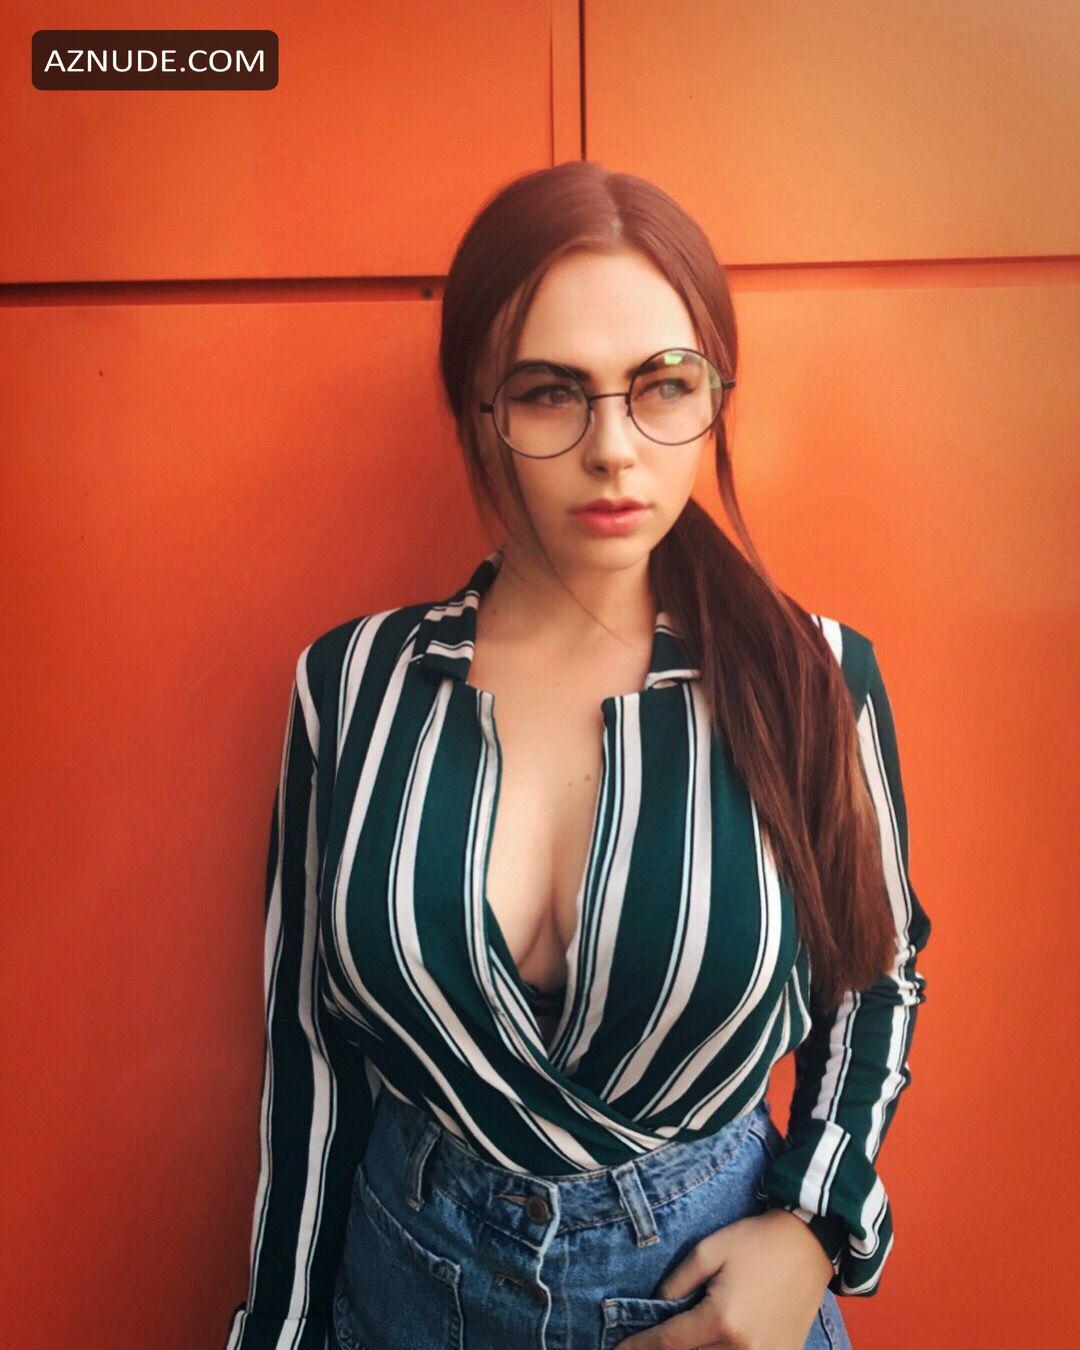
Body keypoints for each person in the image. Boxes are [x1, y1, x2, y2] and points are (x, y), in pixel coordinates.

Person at [224, 161, 931, 1350]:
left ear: (715, 395)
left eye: (664, 385)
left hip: (711, 1299)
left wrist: (815, 1228)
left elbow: (879, 977)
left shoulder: (813, 675)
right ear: (479, 410)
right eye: (552, 392)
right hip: (405, 1294)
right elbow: (310, 1057)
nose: (614, 448)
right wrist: (279, 1331)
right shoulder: (353, 685)